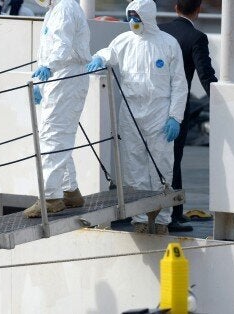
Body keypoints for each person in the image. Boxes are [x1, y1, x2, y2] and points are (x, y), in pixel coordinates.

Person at [86, 0, 187, 234]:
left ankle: (162, 219)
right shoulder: (124, 41)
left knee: (161, 167)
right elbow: (107, 53)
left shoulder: (168, 44)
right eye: (130, 17)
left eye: (137, 18)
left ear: (148, 18)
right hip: (131, 114)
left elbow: (179, 84)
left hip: (160, 115)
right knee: (134, 169)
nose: (133, 22)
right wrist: (98, 58)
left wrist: (175, 117)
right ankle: (139, 218)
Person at [22, 0, 91, 218]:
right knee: (55, 136)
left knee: (54, 135)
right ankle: (70, 191)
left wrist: (48, 67)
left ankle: (51, 197)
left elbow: (62, 45)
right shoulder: (54, 10)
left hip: (66, 76)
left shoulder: (65, 8)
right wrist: (42, 83)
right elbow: (49, 50)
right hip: (59, 76)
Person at [159, 0, 217, 233]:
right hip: (177, 108)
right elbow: (206, 76)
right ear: (198, 9)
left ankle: (166, 211)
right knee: (174, 160)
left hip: (151, 104)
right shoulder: (196, 38)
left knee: (151, 159)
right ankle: (171, 215)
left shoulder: (160, 31)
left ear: (175, 8)